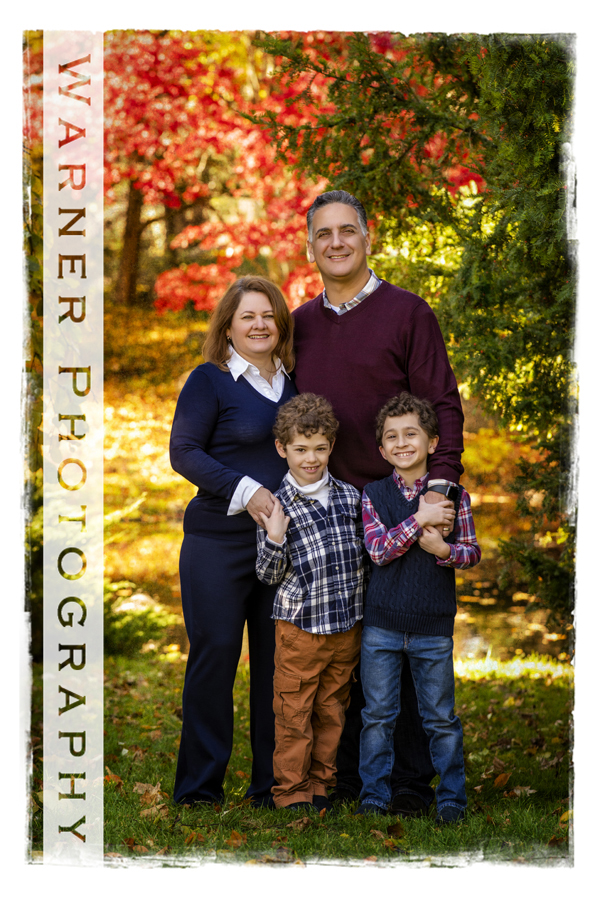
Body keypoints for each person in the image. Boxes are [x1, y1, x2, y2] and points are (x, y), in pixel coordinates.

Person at [292, 189, 465, 816]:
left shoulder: (408, 313)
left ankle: (414, 787)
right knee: (346, 651)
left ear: (369, 238)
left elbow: (442, 403)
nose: (335, 243)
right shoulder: (300, 324)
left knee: (411, 641)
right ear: (310, 246)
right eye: (323, 234)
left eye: (347, 231)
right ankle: (348, 779)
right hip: (332, 513)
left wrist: (440, 487)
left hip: (402, 504)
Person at [169, 275, 297, 808]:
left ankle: (269, 787)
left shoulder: (295, 383)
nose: (259, 325)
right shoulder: (210, 380)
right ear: (228, 325)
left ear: (280, 324)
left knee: (275, 665)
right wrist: (250, 493)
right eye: (248, 316)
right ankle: (199, 789)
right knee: (215, 657)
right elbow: (185, 452)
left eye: (268, 315)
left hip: (280, 545)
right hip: (216, 543)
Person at [357, 393, 480, 822]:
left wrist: (442, 548)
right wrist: (420, 520)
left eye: (411, 434)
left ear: (432, 443)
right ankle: (373, 794)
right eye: (391, 436)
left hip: (432, 627)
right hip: (382, 627)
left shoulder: (455, 497)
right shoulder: (372, 495)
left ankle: (450, 799)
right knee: (377, 716)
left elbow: (471, 553)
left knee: (440, 717)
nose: (401, 442)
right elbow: (378, 550)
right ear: (382, 449)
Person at [255, 393, 364, 811]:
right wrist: (276, 536)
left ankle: (321, 787)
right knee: (294, 713)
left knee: (332, 712)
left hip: (345, 628)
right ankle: (291, 793)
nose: (311, 458)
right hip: (301, 630)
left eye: (320, 448)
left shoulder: (350, 498)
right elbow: (267, 576)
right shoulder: (275, 507)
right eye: (301, 449)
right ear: (283, 449)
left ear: (331, 447)